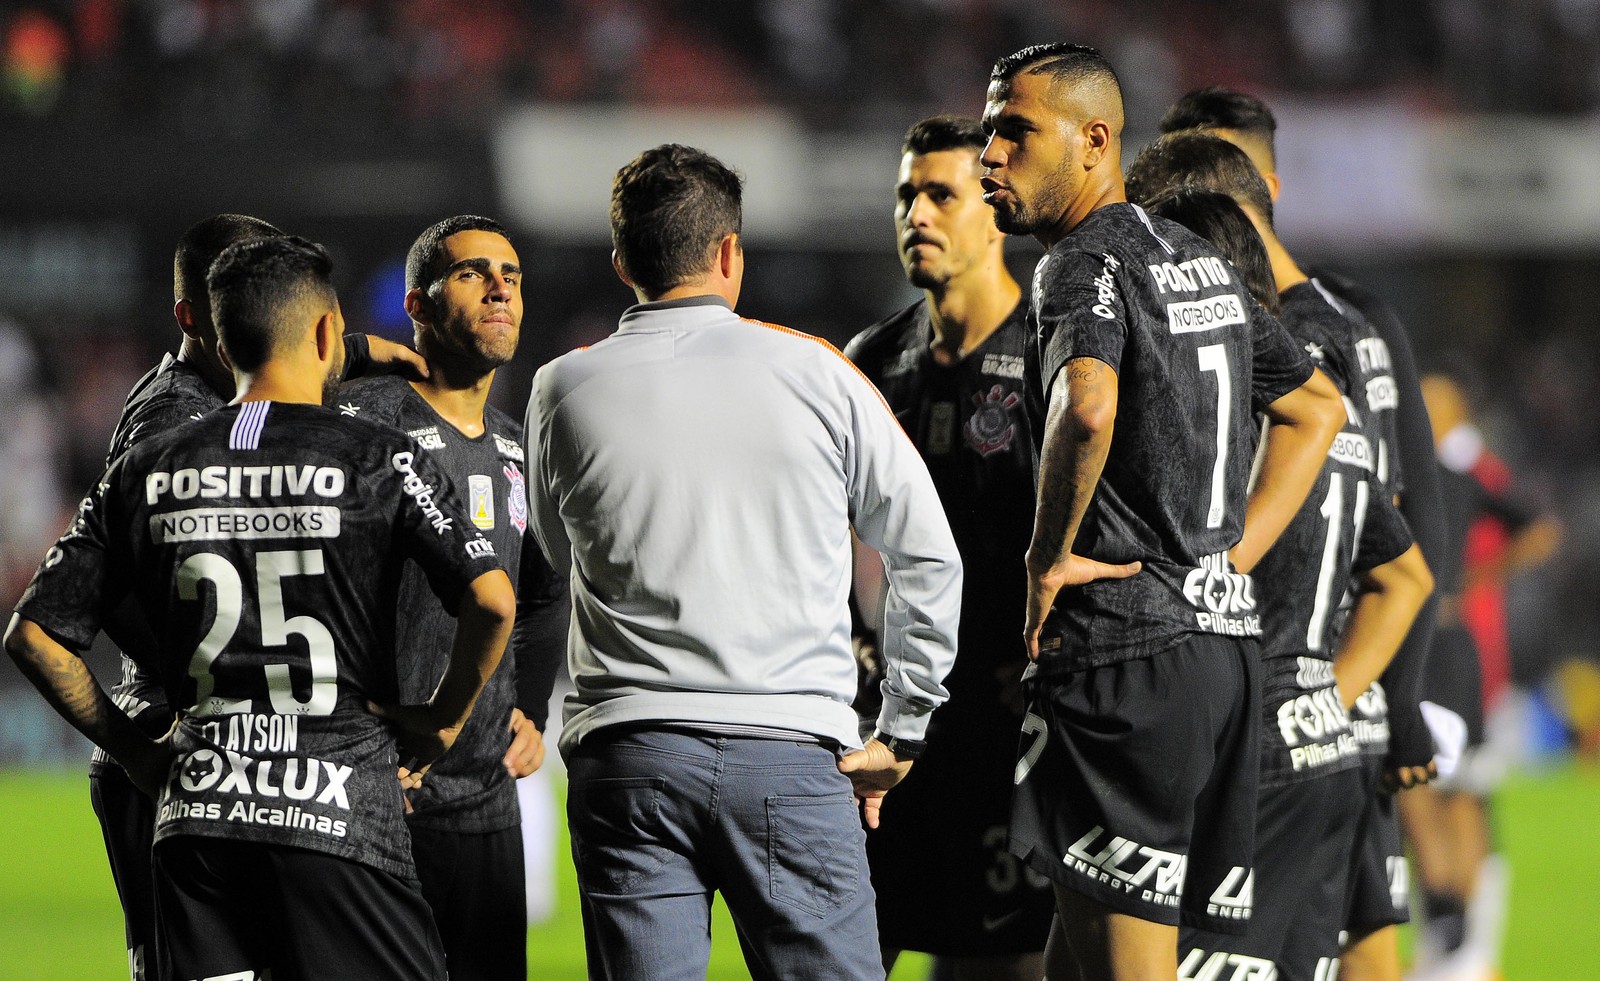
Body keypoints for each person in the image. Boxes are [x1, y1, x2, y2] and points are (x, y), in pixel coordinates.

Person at [5, 234, 516, 981]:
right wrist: (442, 718)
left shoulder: (146, 467)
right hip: (341, 815)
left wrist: (140, 749)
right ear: (321, 333)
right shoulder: (378, 455)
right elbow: (493, 599)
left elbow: (34, 635)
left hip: (198, 824)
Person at [525, 143, 964, 981]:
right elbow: (926, 551)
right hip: (793, 752)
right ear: (730, 252)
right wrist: (903, 724)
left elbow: (556, 550)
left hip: (629, 754)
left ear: (623, 262)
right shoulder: (816, 372)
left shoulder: (559, 388)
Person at [978, 44, 1343, 980]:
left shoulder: (1079, 262)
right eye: (988, 135)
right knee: (1082, 954)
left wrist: (1044, 559)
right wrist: (1224, 560)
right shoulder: (1198, 260)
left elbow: (1087, 406)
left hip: (1124, 660)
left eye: (1015, 132)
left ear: (1095, 140)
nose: (991, 156)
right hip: (1220, 657)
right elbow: (1314, 409)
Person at [87, 212, 431, 981]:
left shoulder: (210, 390)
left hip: (229, 761)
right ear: (198, 317)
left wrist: (363, 349)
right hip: (182, 740)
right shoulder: (176, 418)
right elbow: (103, 589)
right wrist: (203, 674)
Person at [1154, 90, 1450, 980]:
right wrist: (1356, 699)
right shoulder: (1355, 323)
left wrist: (1383, 704)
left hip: (1270, 704)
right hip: (1326, 705)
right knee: (1340, 940)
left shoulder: (1269, 351)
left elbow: (1406, 519)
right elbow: (1404, 541)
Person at [844, 114, 1050, 981]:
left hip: (1011, 723)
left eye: (940, 194)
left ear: (994, 209)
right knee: (850, 950)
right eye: (905, 195)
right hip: (896, 719)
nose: (916, 214)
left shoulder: (1054, 352)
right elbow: (838, 535)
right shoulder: (873, 361)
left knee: (997, 963)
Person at [338, 215, 569, 980]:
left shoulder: (516, 444)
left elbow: (542, 595)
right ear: (418, 306)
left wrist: (528, 706)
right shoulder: (364, 421)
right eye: (473, 272)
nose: (501, 285)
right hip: (372, 796)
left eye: (511, 274)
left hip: (483, 804)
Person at [1403, 372, 1561, 981]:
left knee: (1453, 784)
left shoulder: (1456, 474)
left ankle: (1454, 909)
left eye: (1434, 402)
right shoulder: (1415, 470)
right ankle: (1447, 908)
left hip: (1449, 652)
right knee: (1425, 778)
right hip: (1427, 647)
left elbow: (1539, 527)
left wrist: (1478, 581)